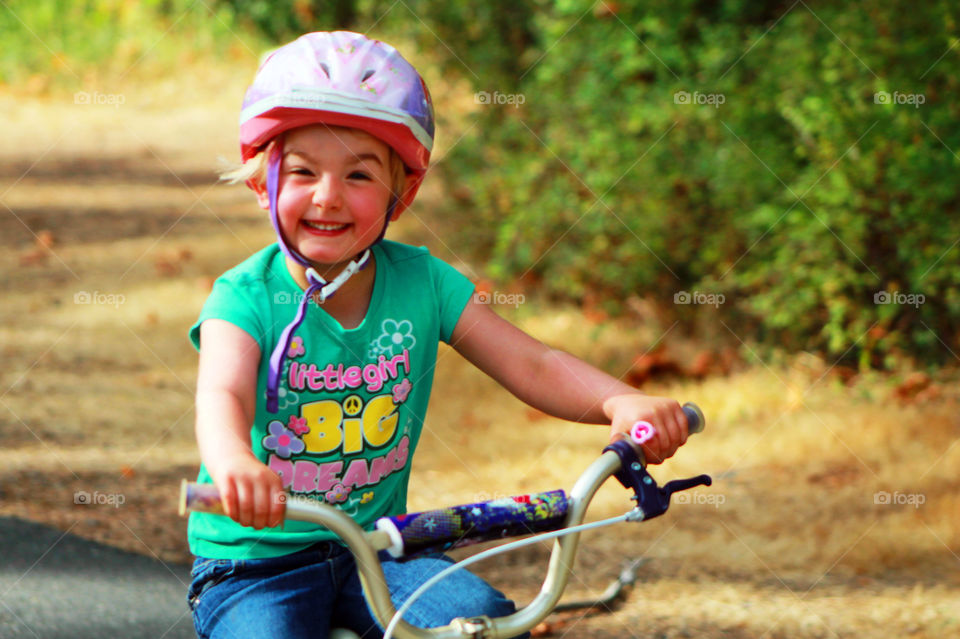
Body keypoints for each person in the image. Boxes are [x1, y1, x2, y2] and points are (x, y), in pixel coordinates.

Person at [186, 31, 690, 639]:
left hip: (376, 550)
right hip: (255, 563)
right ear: (261, 181)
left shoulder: (423, 283)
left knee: (482, 622)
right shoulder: (242, 299)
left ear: (403, 193)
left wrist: (620, 400)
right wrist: (234, 462)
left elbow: (532, 364)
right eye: (302, 171)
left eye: (360, 175)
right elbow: (224, 395)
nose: (328, 196)